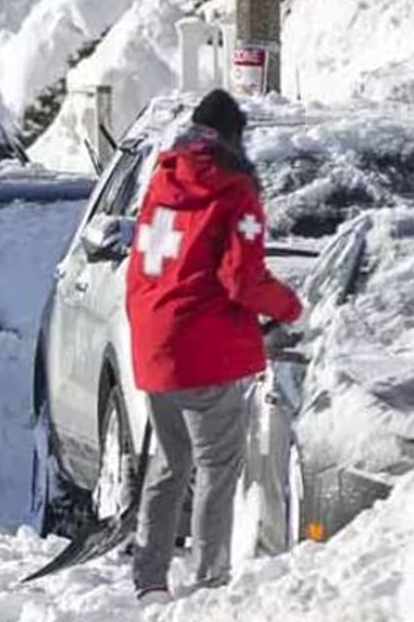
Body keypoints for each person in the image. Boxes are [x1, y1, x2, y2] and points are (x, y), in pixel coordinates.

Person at [125, 89, 303, 603]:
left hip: (154, 340)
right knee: (217, 467)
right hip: (204, 348)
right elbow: (242, 278)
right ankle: (208, 582)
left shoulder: (161, 180)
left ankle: (151, 578)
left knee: (169, 459)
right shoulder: (235, 192)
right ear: (232, 136)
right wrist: (291, 309)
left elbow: (147, 262)